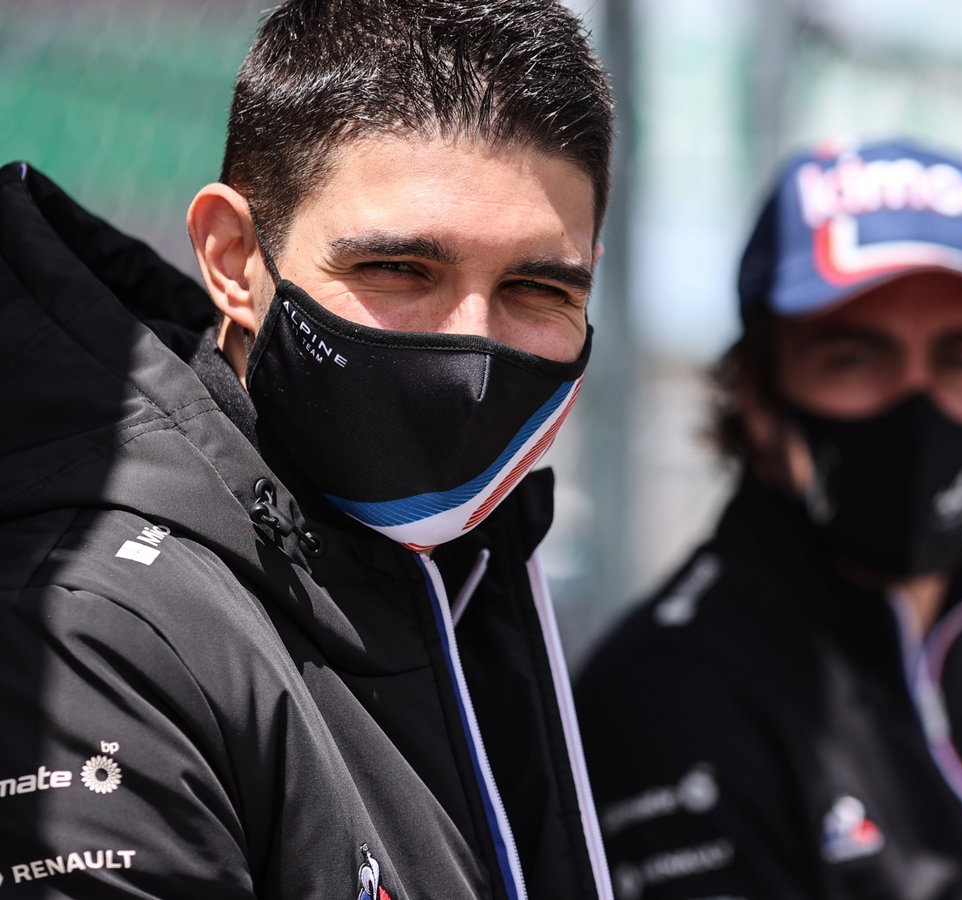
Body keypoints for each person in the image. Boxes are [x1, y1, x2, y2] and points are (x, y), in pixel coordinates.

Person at [0, 1, 615, 897]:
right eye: (400, 269)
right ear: (236, 258)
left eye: (536, 287)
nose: (472, 354)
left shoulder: (472, 571)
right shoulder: (100, 631)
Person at [578, 138, 962, 900]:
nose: (916, 409)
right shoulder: (674, 694)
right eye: (857, 359)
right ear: (757, 399)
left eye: (958, 360)